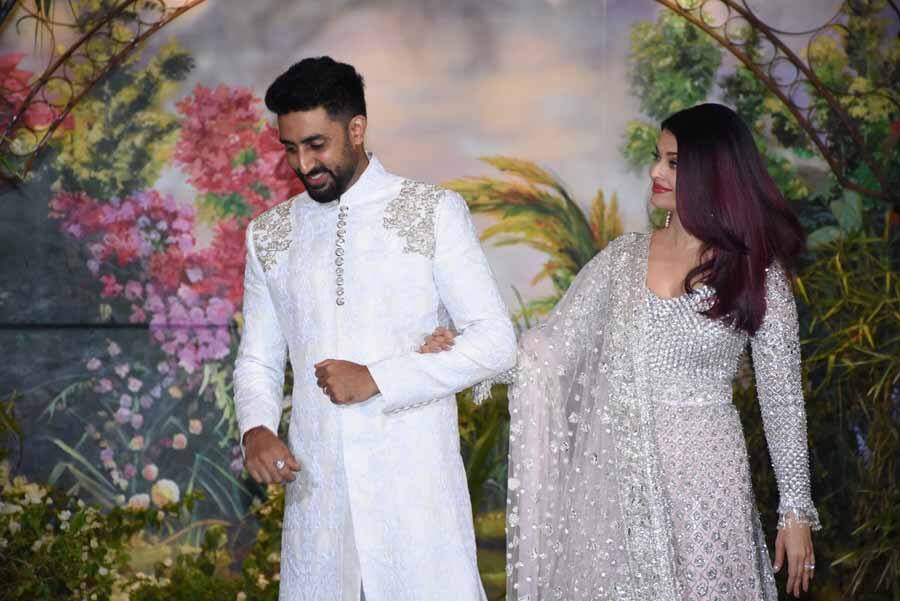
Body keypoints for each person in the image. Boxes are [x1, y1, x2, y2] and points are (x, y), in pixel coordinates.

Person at [421, 103, 820, 600]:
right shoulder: (622, 260)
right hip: (614, 484)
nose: (654, 171)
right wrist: (469, 348)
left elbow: (782, 400)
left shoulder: (756, 274)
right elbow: (546, 354)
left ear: (712, 173)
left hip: (706, 487)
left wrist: (796, 511)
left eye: (673, 162)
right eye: (658, 158)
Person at [233, 56, 517, 601]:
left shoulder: (431, 211)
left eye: (316, 144)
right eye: (290, 148)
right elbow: (259, 360)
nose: (303, 163)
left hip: (414, 485)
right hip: (318, 491)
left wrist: (379, 378)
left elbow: (496, 341)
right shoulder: (269, 234)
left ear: (356, 128)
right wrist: (256, 429)